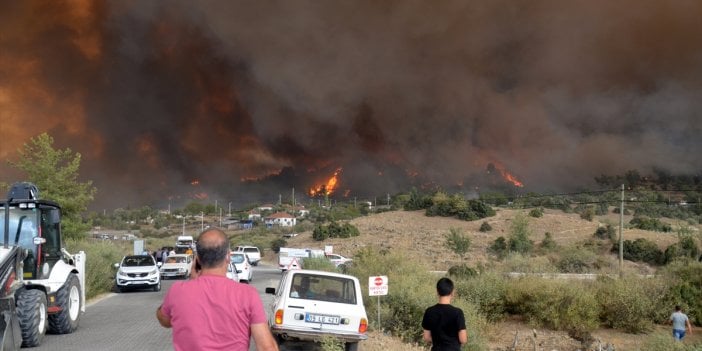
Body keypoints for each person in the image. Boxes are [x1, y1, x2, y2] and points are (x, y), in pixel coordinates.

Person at [156, 228, 278, 351]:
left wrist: (191, 282)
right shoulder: (248, 295)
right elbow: (267, 347)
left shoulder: (177, 291)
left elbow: (164, 320)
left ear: (197, 260)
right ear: (228, 257)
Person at [422, 277, 467, 351]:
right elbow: (463, 339)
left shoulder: (429, 311)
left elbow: (426, 337)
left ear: (437, 291)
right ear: (452, 292)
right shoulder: (457, 313)